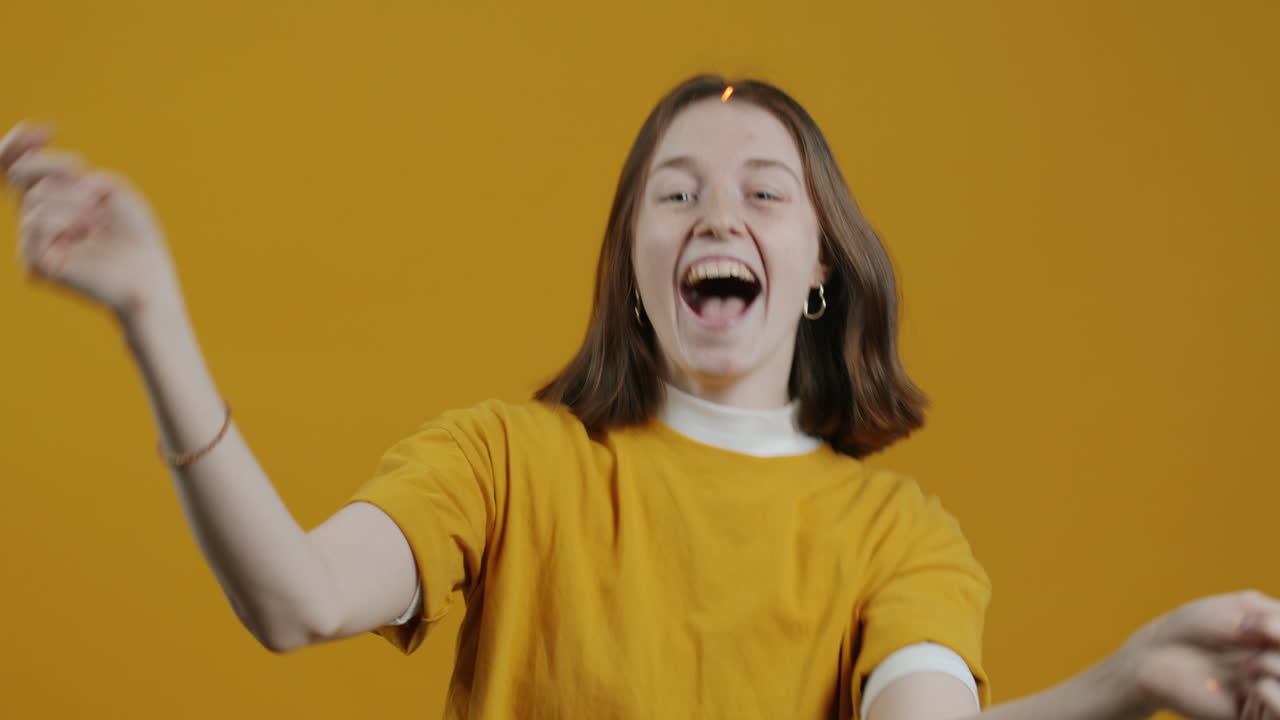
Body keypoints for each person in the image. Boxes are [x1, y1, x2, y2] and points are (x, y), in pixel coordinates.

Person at [3, 75, 1278, 720]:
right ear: (629, 263)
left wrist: (1120, 684)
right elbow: (293, 600)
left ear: (817, 268)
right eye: (675, 193)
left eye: (762, 191)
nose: (716, 213)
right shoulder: (505, 463)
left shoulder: (899, 540)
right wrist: (153, 318)